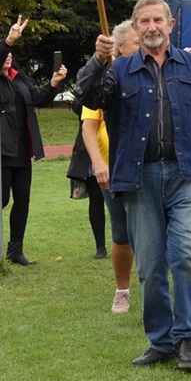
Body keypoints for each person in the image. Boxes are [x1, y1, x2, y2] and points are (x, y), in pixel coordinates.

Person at [75, 0, 191, 370]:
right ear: (135, 28)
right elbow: (86, 96)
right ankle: (161, 341)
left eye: (158, 20)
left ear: (171, 25)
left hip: (189, 175)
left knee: (188, 255)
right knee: (151, 266)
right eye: (144, 21)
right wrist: (98, 61)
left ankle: (186, 338)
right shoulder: (118, 69)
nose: (152, 26)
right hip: (139, 178)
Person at [0, 16, 67, 265]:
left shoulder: (18, 78)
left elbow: (38, 99)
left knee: (22, 199)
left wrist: (53, 84)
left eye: (10, 54)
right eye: (4, 53)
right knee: (0, 199)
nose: (8, 57)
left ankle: (15, 250)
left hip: (21, 148)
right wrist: (9, 40)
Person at [79, 20, 140, 313]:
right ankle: (122, 291)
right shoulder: (104, 79)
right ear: (120, 47)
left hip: (146, 166)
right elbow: (89, 127)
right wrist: (99, 163)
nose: (143, 47)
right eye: (137, 43)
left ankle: (157, 286)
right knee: (121, 233)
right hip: (113, 169)